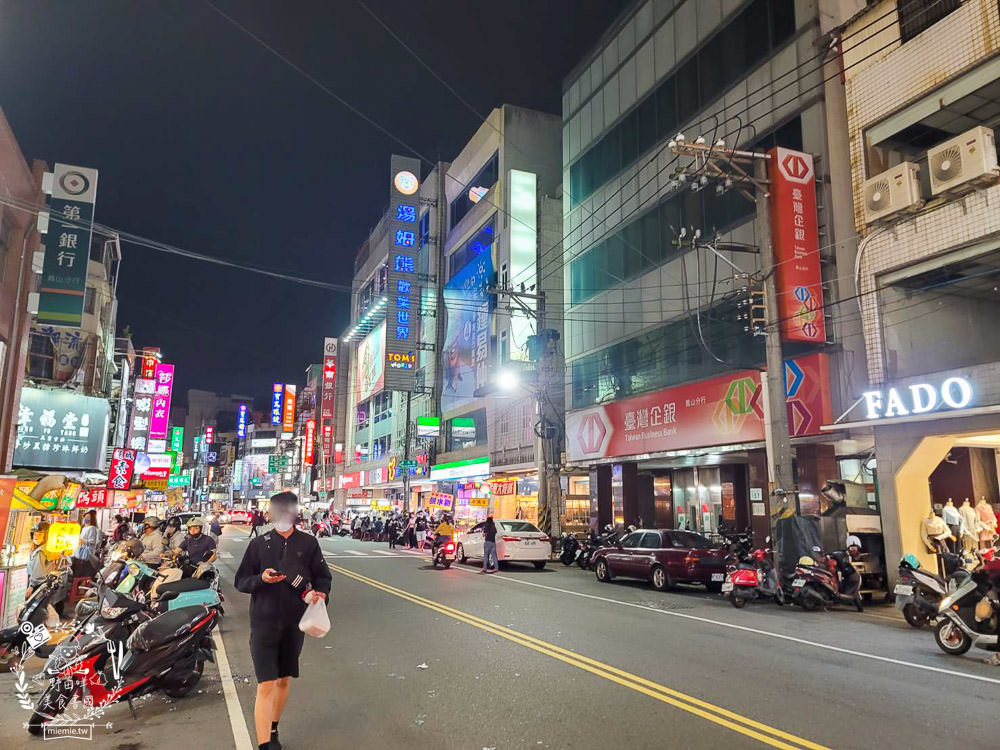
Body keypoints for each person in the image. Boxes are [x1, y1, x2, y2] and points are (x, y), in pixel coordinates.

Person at [234, 492, 331, 750]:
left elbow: (323, 577)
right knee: (266, 682)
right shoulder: (259, 544)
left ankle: (273, 727)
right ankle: (265, 743)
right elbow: (241, 581)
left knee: (284, 679)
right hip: (263, 624)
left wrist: (321, 593)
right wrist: (260, 579)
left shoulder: (308, 544)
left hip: (293, 624)